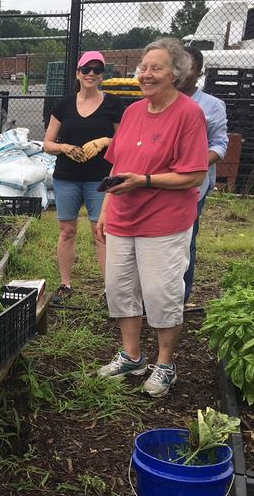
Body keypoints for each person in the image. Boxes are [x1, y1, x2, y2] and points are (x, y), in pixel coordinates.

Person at [94, 37, 209, 397]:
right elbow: (117, 167)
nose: (146, 74)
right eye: (143, 68)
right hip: (123, 217)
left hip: (164, 222)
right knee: (121, 288)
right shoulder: (132, 112)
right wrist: (106, 212)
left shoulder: (189, 113)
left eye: (156, 68)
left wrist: (144, 181)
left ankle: (164, 364)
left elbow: (194, 174)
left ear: (176, 73)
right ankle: (131, 356)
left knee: (162, 294)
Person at [43, 51, 125, 304]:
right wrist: (65, 147)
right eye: (86, 69)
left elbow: (124, 143)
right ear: (78, 73)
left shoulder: (113, 104)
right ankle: (65, 284)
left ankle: (107, 289)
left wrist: (104, 142)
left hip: (99, 178)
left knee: (100, 231)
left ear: (102, 75)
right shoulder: (64, 105)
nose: (91, 74)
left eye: (97, 70)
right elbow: (47, 143)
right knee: (67, 230)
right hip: (67, 176)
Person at [179, 45, 229, 303]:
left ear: (199, 72)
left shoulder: (212, 106)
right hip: (155, 184)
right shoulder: (157, 100)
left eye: (188, 67)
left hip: (192, 185)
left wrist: (193, 163)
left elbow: (219, 145)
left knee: (185, 238)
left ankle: (181, 295)